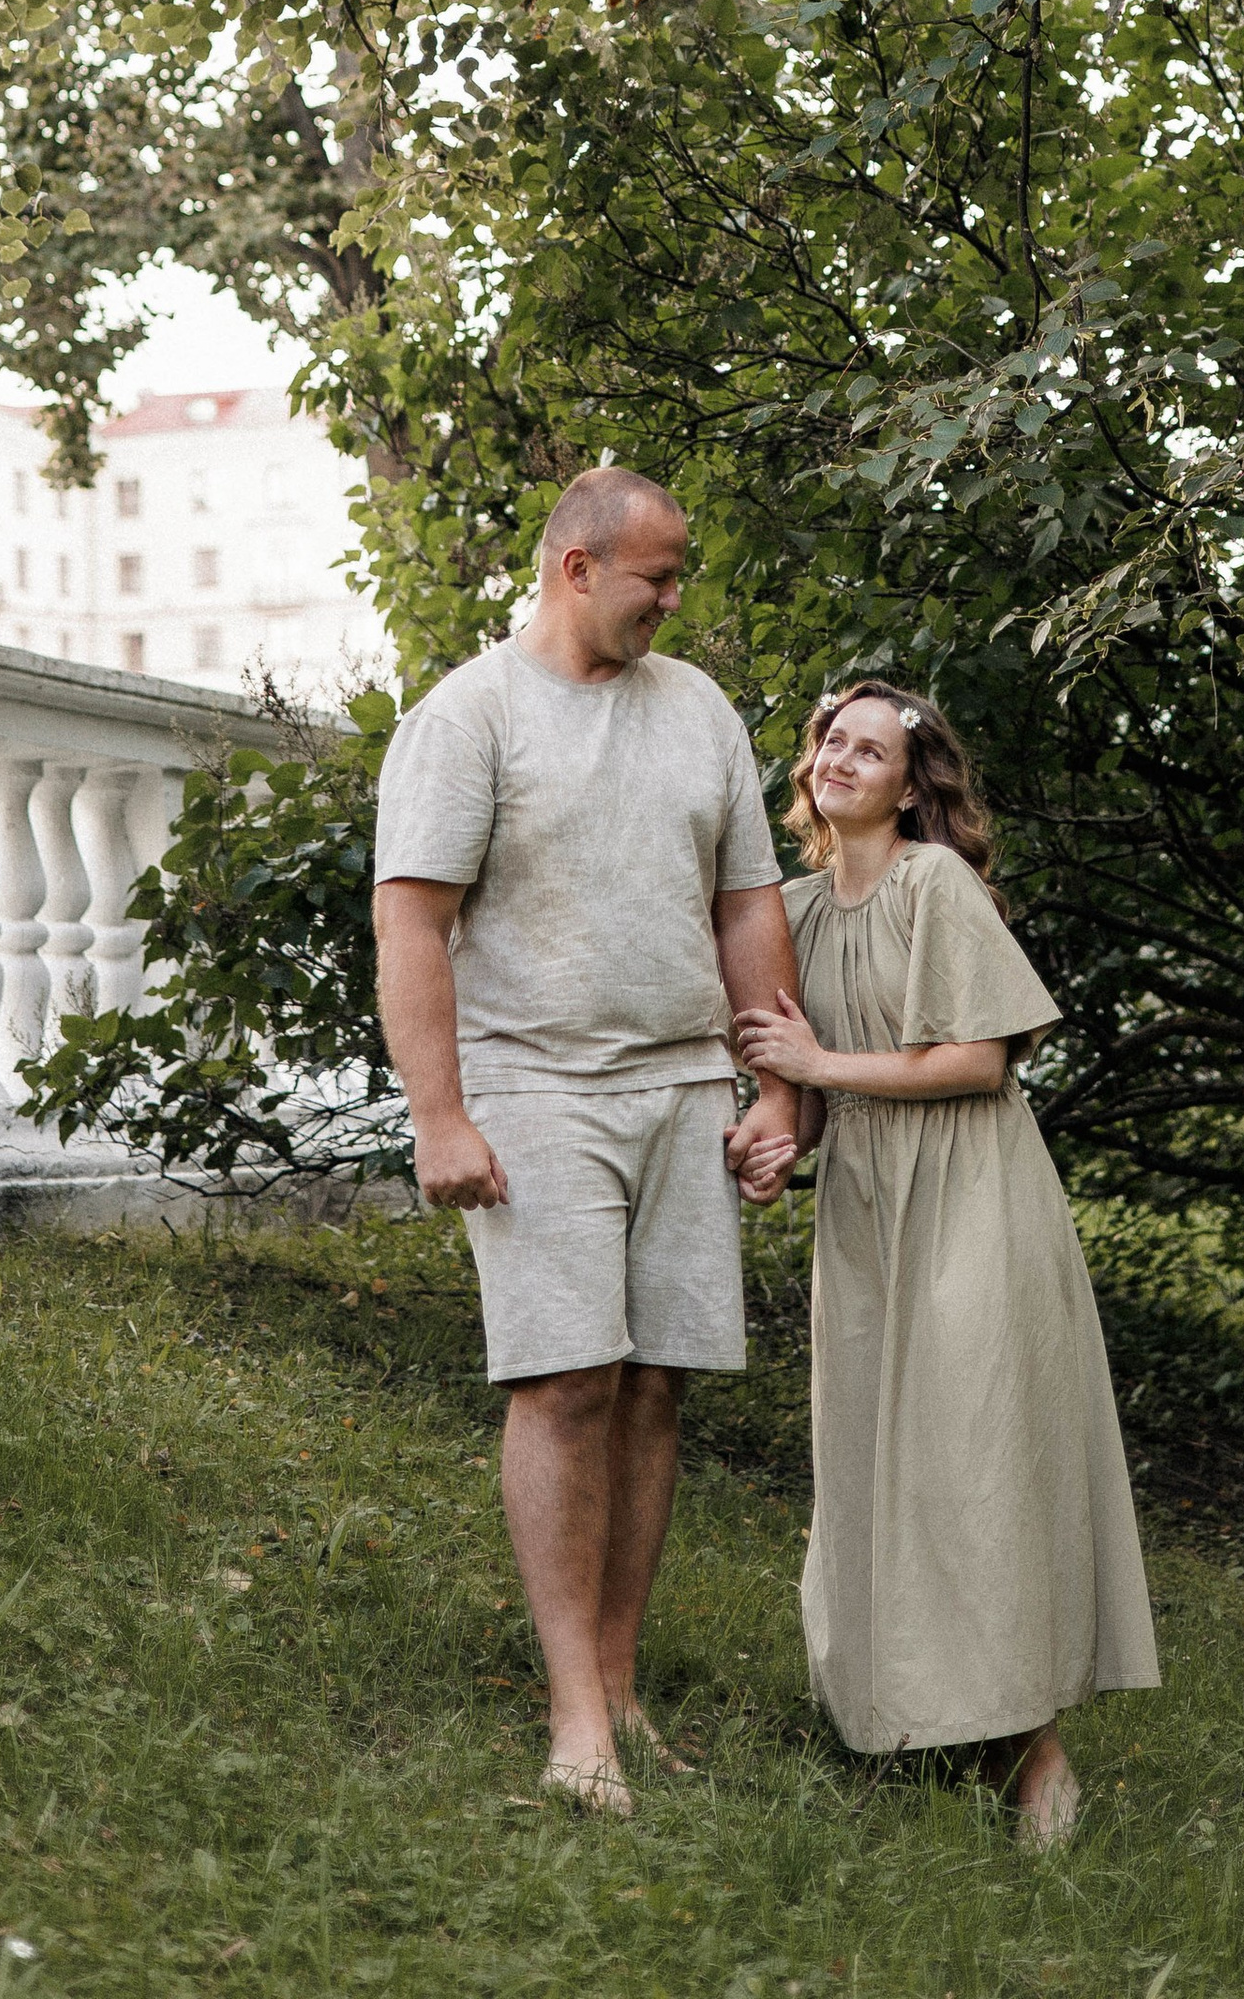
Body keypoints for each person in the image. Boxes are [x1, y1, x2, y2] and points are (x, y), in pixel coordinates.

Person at [372, 466, 802, 1815]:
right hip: (535, 1090)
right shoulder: (470, 719)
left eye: (678, 578)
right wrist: (439, 1116)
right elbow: (412, 924)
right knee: (565, 1383)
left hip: (682, 1088)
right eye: (656, 578)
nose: (674, 601)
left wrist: (777, 1085)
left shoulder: (699, 712)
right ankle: (575, 1722)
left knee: (657, 1382)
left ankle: (619, 1683)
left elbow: (746, 905)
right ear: (575, 567)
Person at [735, 678, 1158, 1845]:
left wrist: (815, 1071)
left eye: (871, 750)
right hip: (870, 1213)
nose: (842, 761)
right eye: (831, 742)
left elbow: (976, 1062)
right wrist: (773, 1146)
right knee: (880, 1460)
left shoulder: (939, 887)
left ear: (914, 784)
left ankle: (1033, 1756)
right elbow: (808, 1090)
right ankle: (909, 1718)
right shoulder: (797, 910)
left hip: (974, 1202)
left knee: (975, 1463)